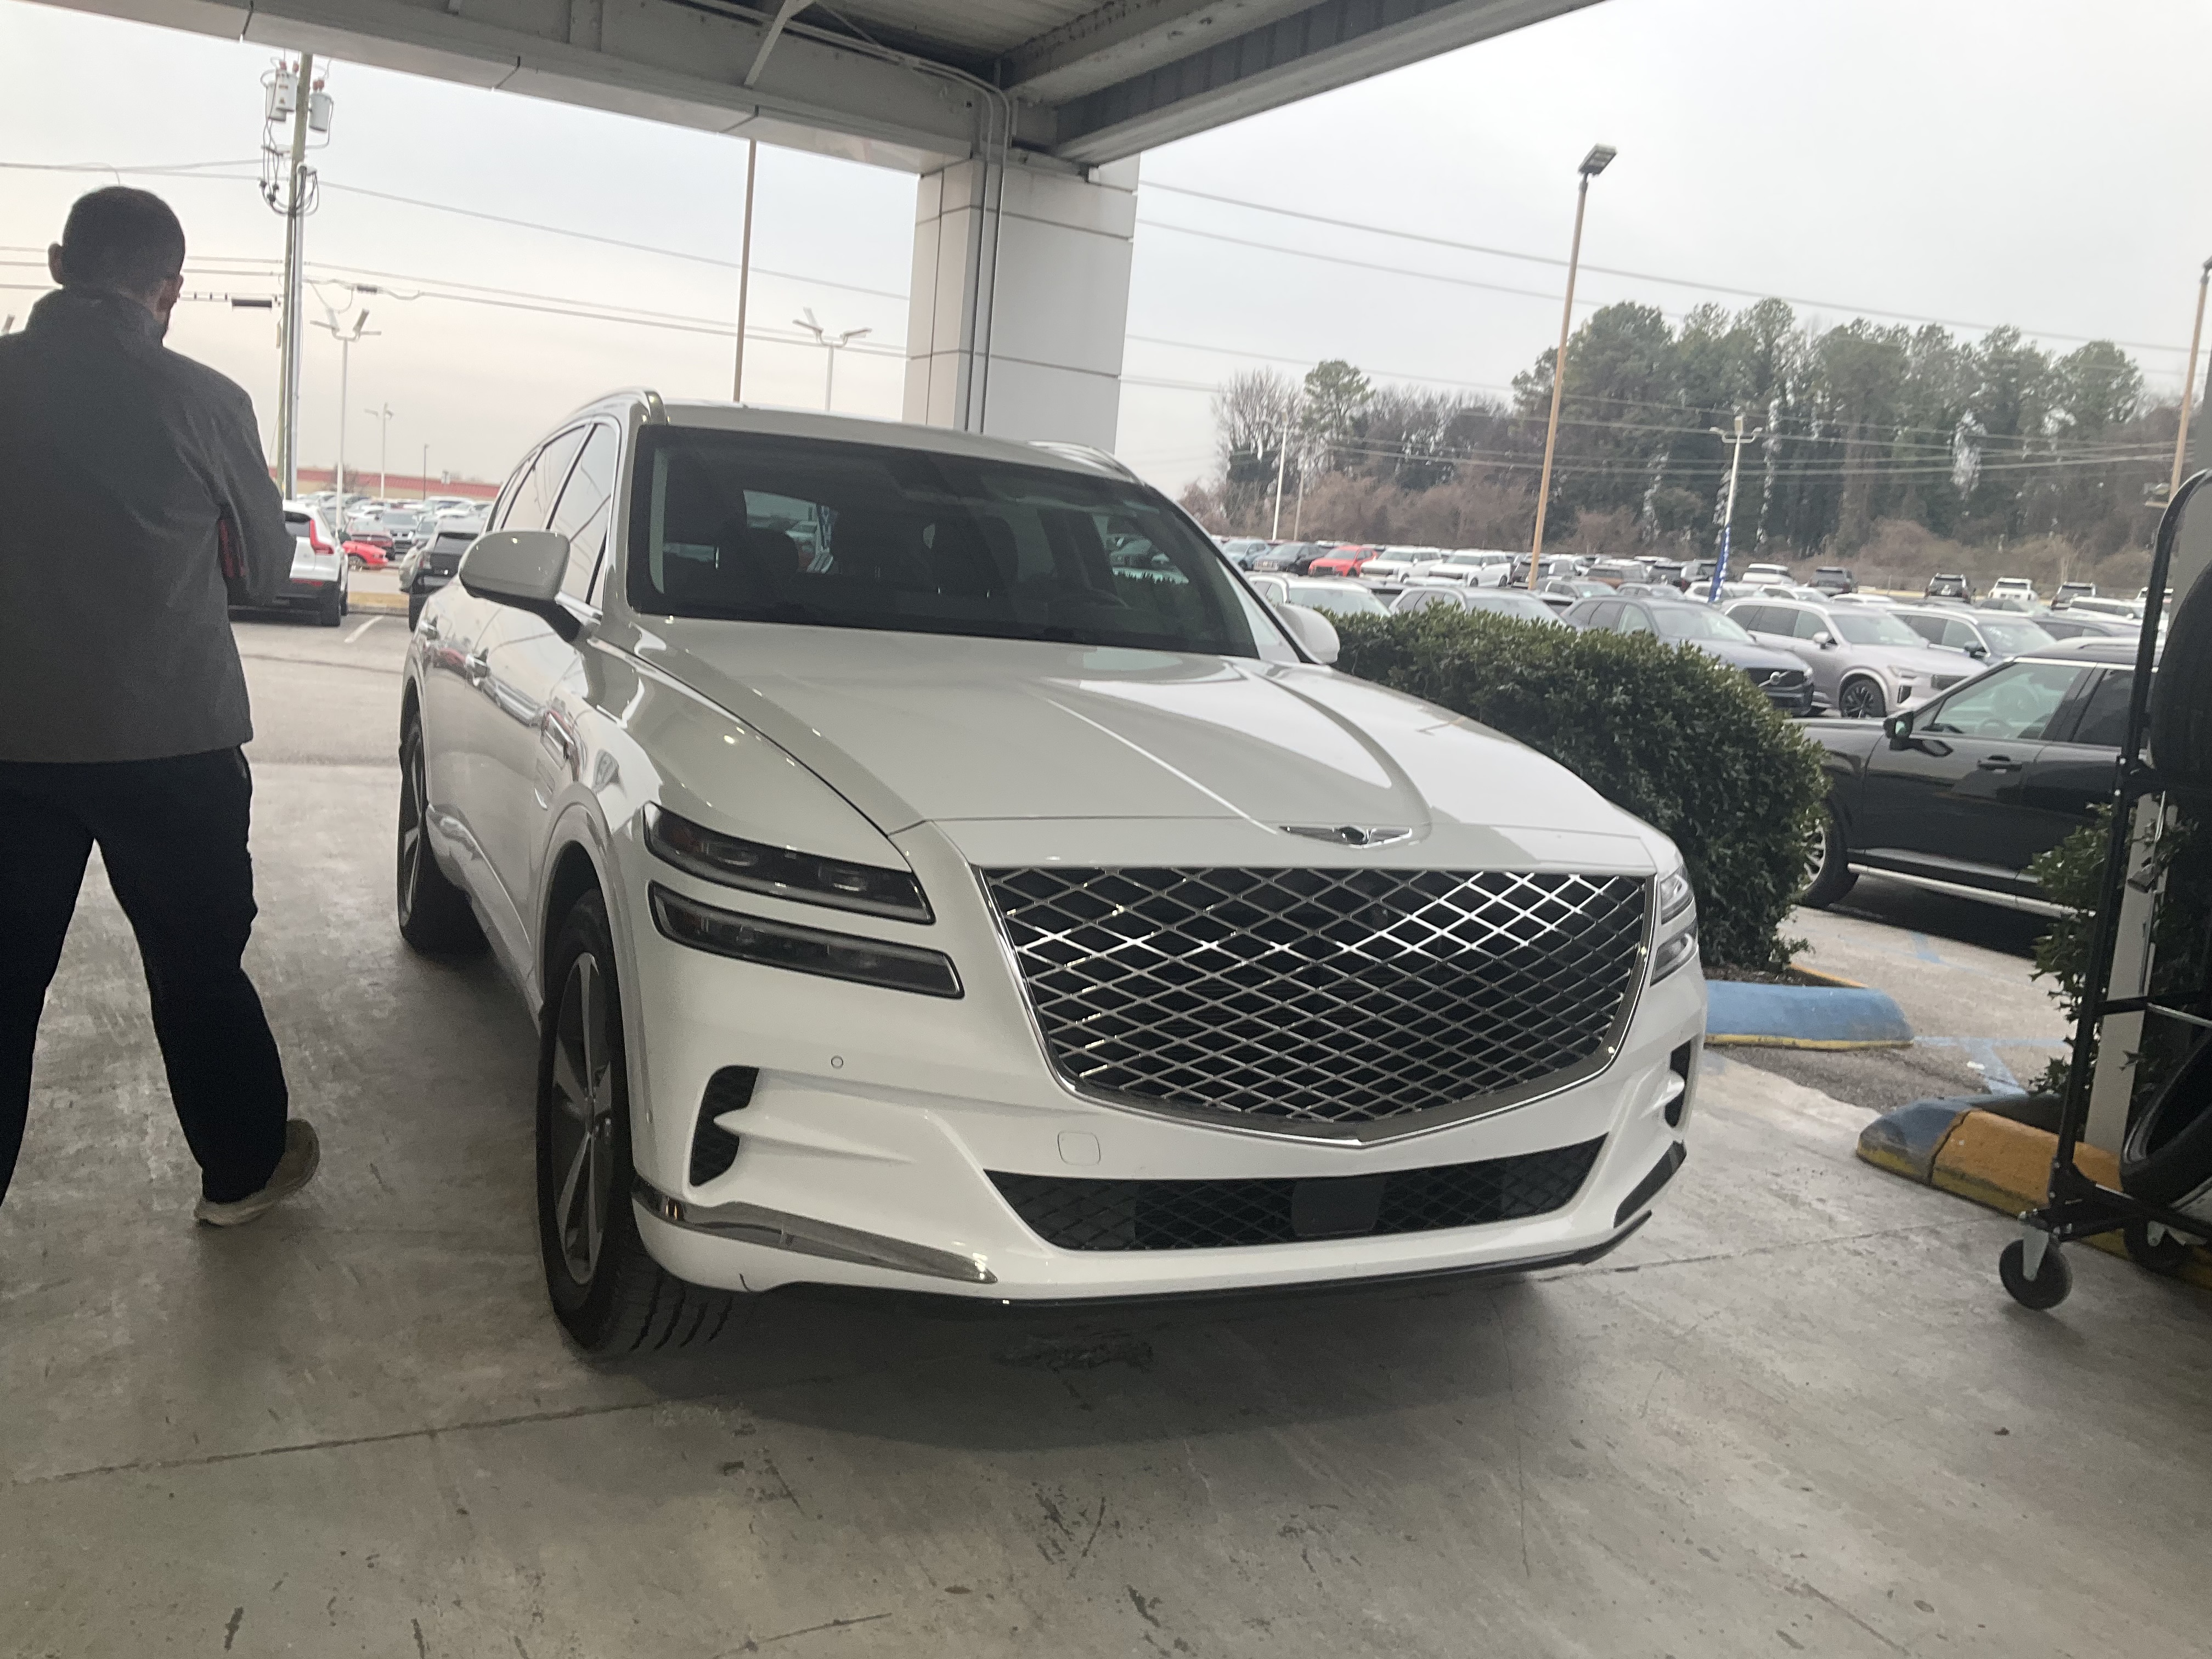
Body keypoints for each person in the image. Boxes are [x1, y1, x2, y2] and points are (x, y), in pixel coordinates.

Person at [0, 187, 318, 1223]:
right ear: (169, 289)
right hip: (172, 744)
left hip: (8, 744)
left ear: (58, 263)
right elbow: (267, 568)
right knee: (197, 968)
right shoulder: (207, 400)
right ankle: (239, 1174)